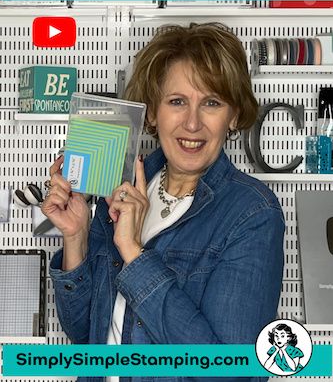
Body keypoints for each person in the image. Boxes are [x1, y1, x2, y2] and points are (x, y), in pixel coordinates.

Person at [43, 22, 285, 382]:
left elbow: (230, 373)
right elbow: (85, 335)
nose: (192, 123)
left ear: (233, 116)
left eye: (212, 103)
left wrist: (133, 252)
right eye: (177, 102)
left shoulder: (252, 214)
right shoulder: (120, 189)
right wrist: (76, 237)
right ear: (153, 113)